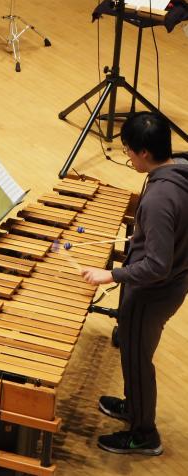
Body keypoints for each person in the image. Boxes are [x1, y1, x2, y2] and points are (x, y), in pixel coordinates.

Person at [81, 112, 188, 456]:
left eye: (128, 151)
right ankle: (134, 404)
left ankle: (144, 433)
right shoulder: (181, 167)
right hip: (174, 280)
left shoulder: (160, 199)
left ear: (144, 152)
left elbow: (157, 265)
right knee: (133, 353)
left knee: (136, 359)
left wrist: (110, 275)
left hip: (153, 292)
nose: (127, 157)